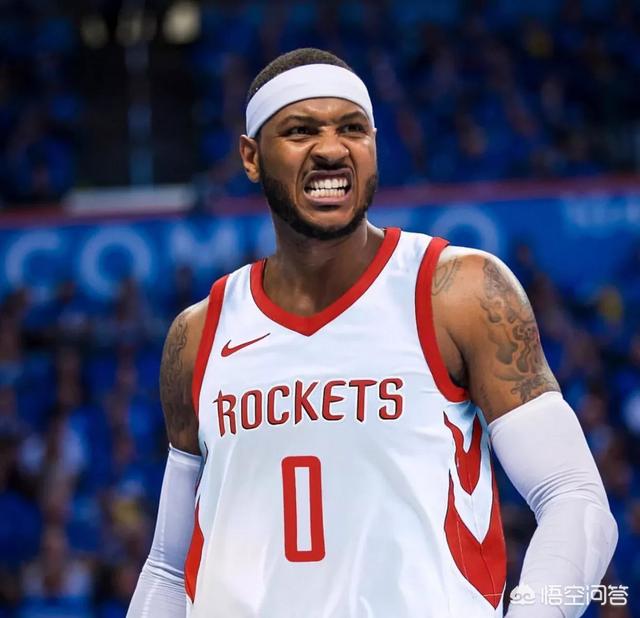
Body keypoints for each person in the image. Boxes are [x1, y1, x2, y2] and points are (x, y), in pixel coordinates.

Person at [127, 48, 618, 618]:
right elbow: (167, 567)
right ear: (251, 157)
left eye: (352, 128)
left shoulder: (456, 292)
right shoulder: (199, 334)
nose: (332, 149)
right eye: (301, 130)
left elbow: (574, 499)